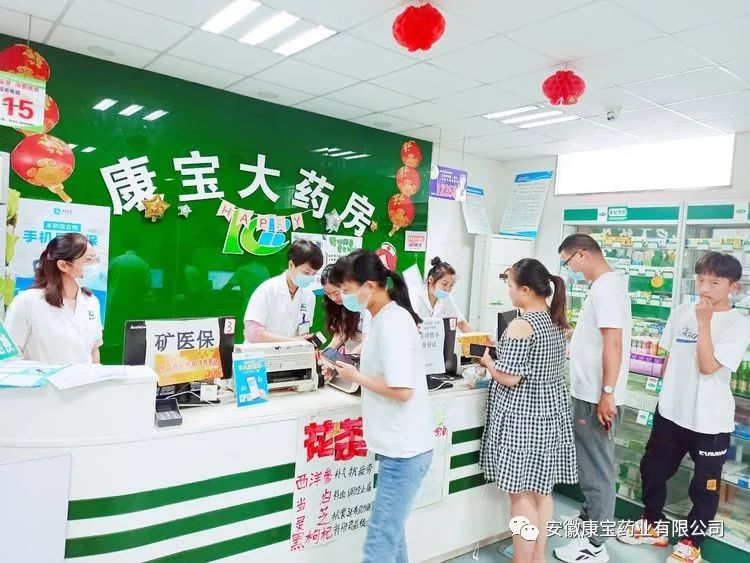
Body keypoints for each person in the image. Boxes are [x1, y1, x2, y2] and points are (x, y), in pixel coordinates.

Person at [619, 252, 750, 563]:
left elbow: (707, 367)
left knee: (704, 487)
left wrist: (704, 322)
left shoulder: (739, 324)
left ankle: (692, 542)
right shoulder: (681, 312)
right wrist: (666, 397)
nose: (704, 288)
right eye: (701, 280)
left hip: (709, 422)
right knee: (652, 470)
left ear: (733, 287)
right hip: (670, 414)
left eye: (714, 283)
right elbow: (669, 359)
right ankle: (652, 524)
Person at [326, 250, 433, 563]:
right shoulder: (384, 318)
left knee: (380, 542)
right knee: (392, 535)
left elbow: (402, 390)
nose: (343, 298)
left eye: (347, 290)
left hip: (404, 450)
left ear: (369, 287)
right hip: (398, 446)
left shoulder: (392, 323)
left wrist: (356, 376)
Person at [479, 258, 577, 563]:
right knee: (541, 492)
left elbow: (509, 378)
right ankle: (537, 556)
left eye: (510, 285)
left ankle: (522, 559)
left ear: (525, 290)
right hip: (550, 414)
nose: (508, 290)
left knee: (520, 496)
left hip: (523, 419)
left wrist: (489, 362)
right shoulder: (556, 320)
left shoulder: (522, 325)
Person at [555, 233, 631, 563]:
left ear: (582, 254)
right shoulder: (604, 287)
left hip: (596, 396)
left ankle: (594, 544)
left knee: (596, 470)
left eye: (568, 263)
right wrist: (573, 334)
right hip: (589, 392)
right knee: (589, 465)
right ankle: (588, 521)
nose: (570, 270)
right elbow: (599, 337)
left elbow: (613, 343)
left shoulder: (606, 289)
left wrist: (607, 393)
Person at [5, 233, 103, 365]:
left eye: (95, 259)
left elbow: (93, 350)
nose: (94, 265)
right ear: (63, 265)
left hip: (82, 378)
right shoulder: (26, 302)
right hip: (42, 379)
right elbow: (9, 357)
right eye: (88, 260)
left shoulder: (91, 302)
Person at [243, 239, 323, 343]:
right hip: (260, 351)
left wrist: (306, 341)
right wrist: (292, 341)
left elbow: (303, 331)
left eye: (314, 274)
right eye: (306, 273)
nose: (310, 277)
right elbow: (253, 333)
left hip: (289, 351)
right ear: (291, 265)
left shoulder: (309, 296)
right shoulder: (268, 290)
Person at [410, 257, 473, 332]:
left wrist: (478, 338)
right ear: (431, 280)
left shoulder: (446, 297)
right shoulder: (415, 293)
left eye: (451, 285)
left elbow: (461, 323)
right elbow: (414, 322)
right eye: (444, 284)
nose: (447, 289)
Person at [320, 264, 369, 354]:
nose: (333, 298)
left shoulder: (367, 305)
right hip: (352, 356)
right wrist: (326, 352)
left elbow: (367, 342)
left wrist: (348, 359)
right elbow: (341, 334)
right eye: (328, 294)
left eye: (336, 293)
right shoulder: (339, 305)